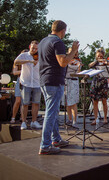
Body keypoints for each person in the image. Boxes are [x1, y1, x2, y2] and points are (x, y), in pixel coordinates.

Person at [38, 20, 79, 155]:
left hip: (44, 80)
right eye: (65, 32)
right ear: (63, 31)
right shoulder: (58, 42)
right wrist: (73, 51)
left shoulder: (43, 41)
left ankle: (56, 139)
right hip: (54, 81)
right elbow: (63, 62)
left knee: (53, 112)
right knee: (50, 114)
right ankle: (45, 145)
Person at [14, 41, 42, 130]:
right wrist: (28, 61)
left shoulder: (40, 56)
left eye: (37, 49)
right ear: (30, 46)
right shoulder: (24, 55)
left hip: (37, 83)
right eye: (33, 48)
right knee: (25, 103)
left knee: (36, 103)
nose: (34, 50)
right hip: (26, 82)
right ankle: (23, 122)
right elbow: (16, 62)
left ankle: (34, 121)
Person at [62, 48, 82, 127]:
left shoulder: (77, 61)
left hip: (74, 81)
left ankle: (75, 120)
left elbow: (79, 73)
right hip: (66, 81)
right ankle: (69, 119)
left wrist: (79, 67)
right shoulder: (65, 60)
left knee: (73, 102)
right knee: (67, 102)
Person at [88, 48, 109, 125]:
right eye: (98, 56)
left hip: (103, 83)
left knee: (104, 101)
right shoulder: (95, 63)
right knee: (95, 102)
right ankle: (95, 118)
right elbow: (89, 65)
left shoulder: (106, 62)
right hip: (95, 83)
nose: (100, 57)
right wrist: (97, 61)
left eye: (101, 56)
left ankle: (105, 118)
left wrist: (106, 63)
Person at [10, 49, 28, 124]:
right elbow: (14, 72)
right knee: (18, 100)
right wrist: (24, 70)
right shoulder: (17, 63)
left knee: (24, 102)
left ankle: (22, 118)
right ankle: (13, 117)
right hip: (19, 80)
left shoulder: (29, 63)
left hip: (27, 82)